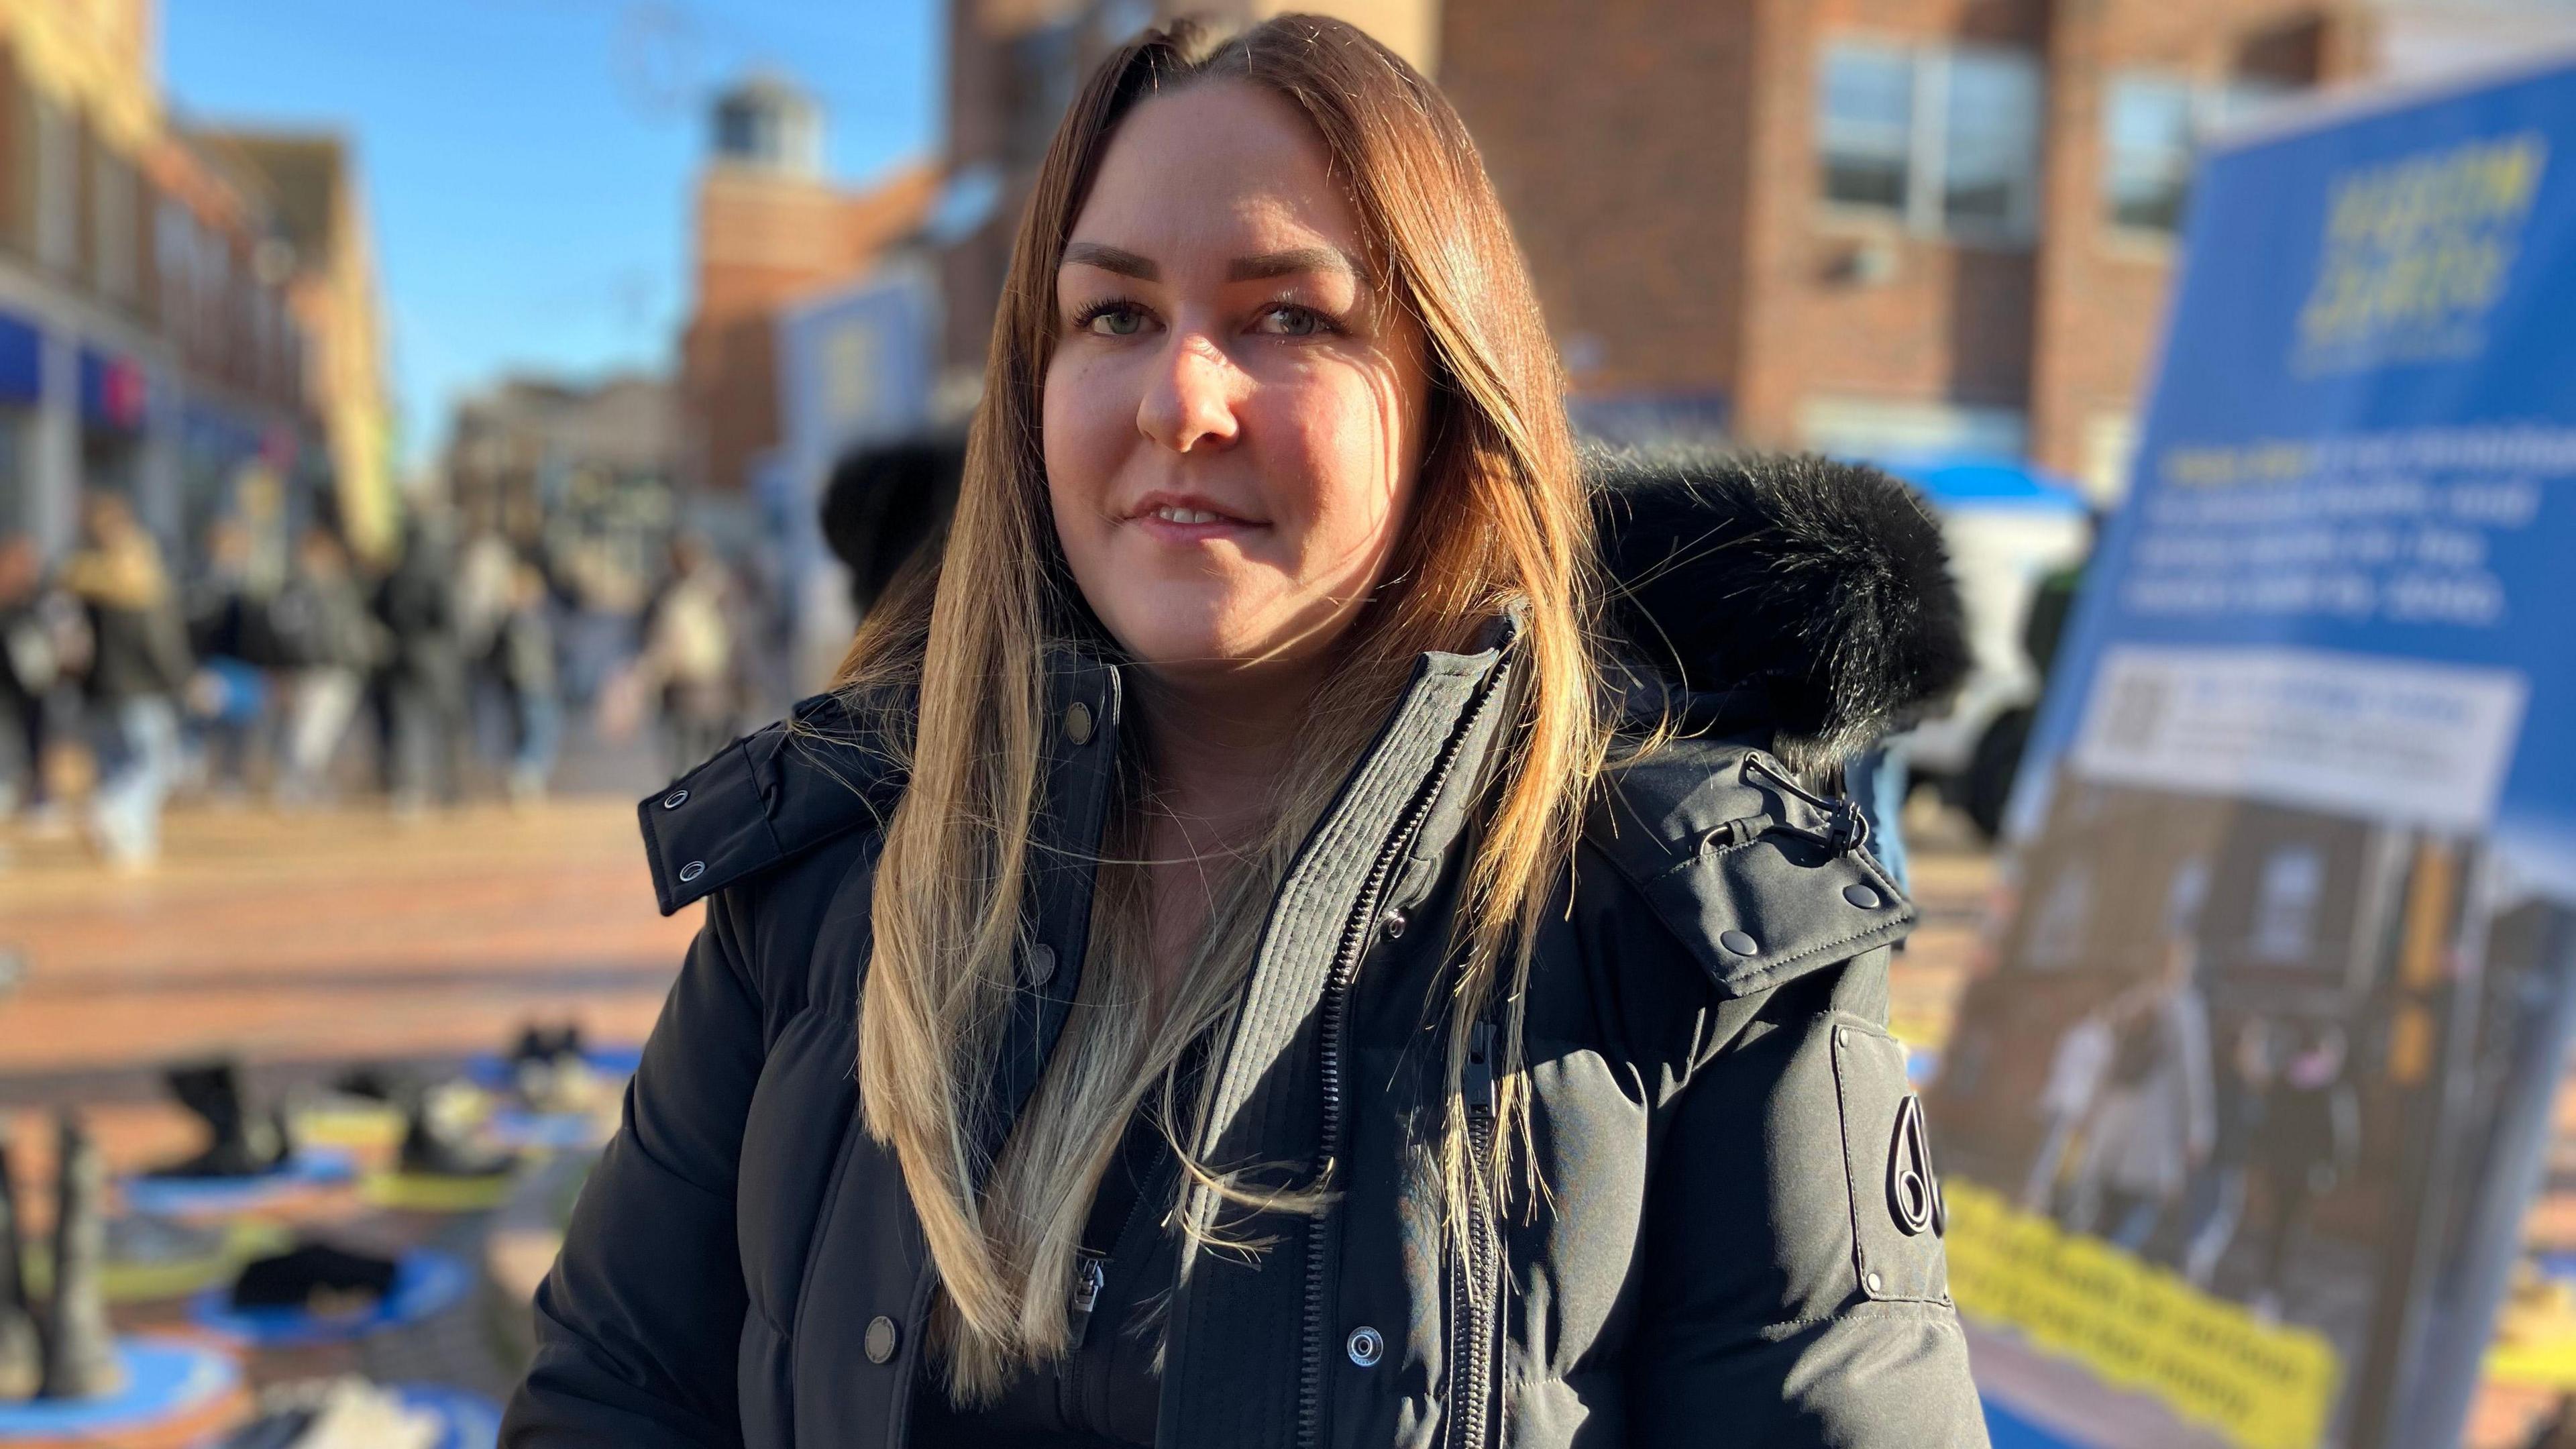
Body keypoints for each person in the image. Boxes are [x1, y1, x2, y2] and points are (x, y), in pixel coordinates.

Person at [504, 17, 1983, 1449]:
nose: (1180, 396)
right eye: (1116, 314)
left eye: (1290, 316)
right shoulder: (824, 862)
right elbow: (611, 1390)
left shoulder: (1689, 935)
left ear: (1450, 394)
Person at [61, 492, 191, 865]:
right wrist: (184, 681)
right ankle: (112, 812)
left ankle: (130, 845)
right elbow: (160, 644)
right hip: (141, 688)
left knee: (115, 764)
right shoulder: (142, 584)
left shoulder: (78, 579)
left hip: (94, 692)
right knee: (157, 764)